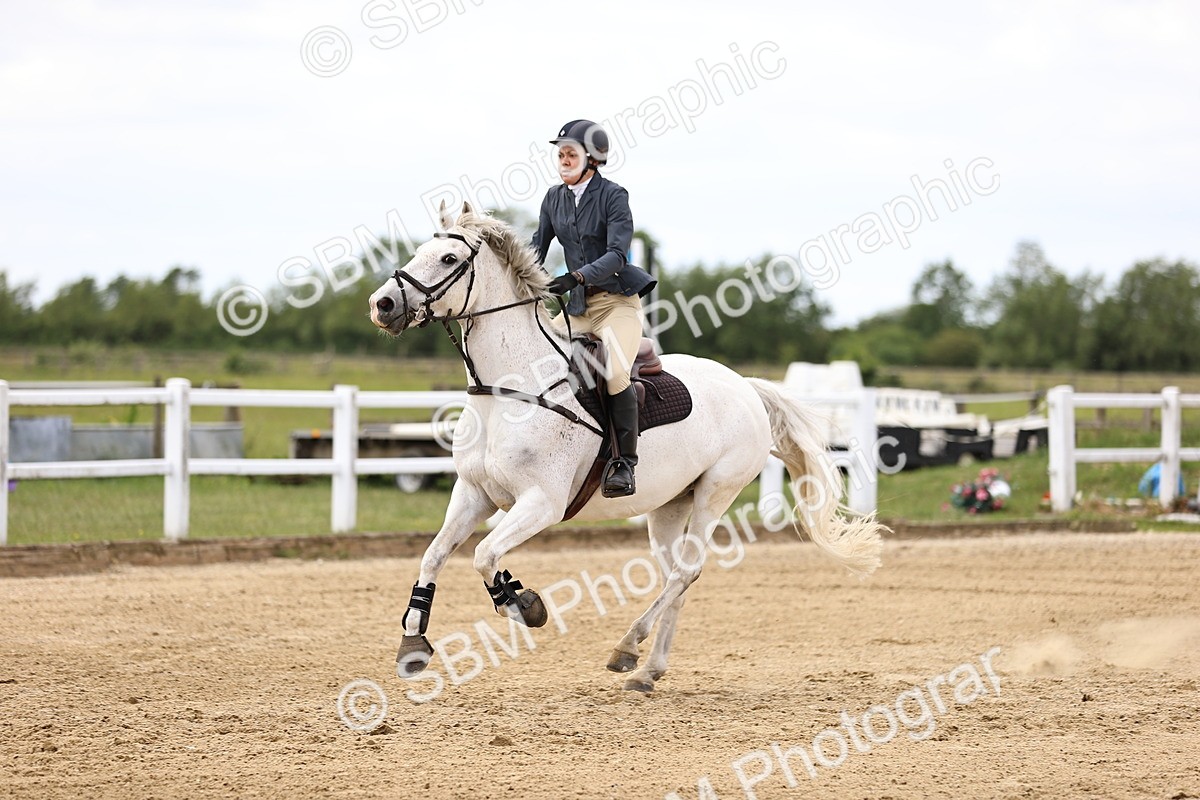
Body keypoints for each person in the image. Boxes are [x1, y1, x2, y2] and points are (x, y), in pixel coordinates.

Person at [532, 119, 656, 497]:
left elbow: (618, 254)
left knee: (616, 372)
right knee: (537, 358)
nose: (564, 158)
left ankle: (623, 464)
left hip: (616, 304)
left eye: (571, 153)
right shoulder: (553, 198)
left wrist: (577, 277)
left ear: (593, 158)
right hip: (579, 307)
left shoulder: (614, 196)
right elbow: (536, 249)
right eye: (560, 153)